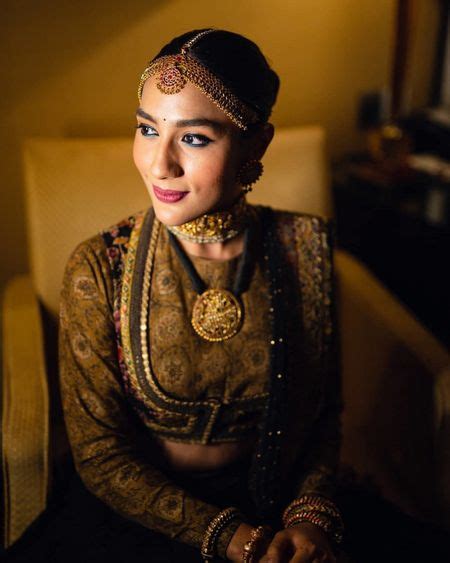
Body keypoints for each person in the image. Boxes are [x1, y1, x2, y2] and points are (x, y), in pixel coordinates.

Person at [6, 28, 343, 563]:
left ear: (257, 144)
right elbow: (99, 454)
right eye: (147, 129)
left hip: (274, 500)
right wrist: (235, 540)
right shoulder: (98, 268)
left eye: (194, 138)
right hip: (138, 516)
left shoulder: (306, 248)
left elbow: (323, 414)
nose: (158, 164)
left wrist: (310, 519)